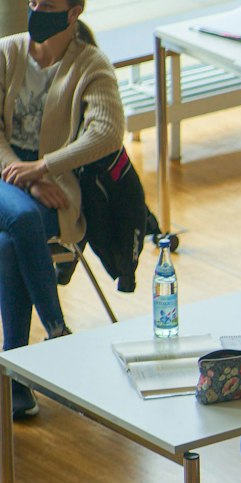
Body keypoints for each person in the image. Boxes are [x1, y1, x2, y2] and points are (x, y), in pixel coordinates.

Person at [0, 0, 123, 420]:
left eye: (48, 5)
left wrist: (46, 166)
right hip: (8, 181)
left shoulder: (91, 64)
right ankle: (56, 331)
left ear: (74, 12)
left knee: (8, 244)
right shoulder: (8, 52)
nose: (36, 10)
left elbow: (107, 132)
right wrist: (29, 176)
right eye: (33, 2)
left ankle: (13, 372)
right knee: (23, 218)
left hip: (51, 189)